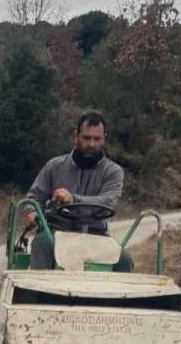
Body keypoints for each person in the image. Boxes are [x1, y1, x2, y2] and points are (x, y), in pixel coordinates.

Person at [24, 110, 134, 272]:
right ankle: (37, 295)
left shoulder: (113, 172)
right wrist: (33, 212)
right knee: (41, 243)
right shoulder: (54, 166)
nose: (91, 144)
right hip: (57, 233)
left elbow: (108, 201)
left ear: (105, 138)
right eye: (86, 138)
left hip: (96, 235)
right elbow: (34, 198)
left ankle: (117, 297)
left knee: (123, 259)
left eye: (97, 139)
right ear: (76, 136)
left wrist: (72, 199)